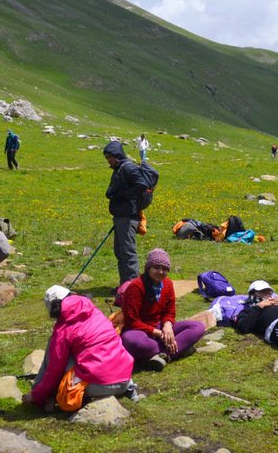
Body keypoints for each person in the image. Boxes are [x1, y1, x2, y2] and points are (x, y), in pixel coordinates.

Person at [22, 286, 135, 409]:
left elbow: (55, 370)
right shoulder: (94, 311)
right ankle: (129, 387)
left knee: (56, 354)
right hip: (124, 377)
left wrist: (37, 397)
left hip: (101, 386)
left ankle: (40, 394)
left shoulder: (63, 330)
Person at [119, 249, 206, 371]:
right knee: (138, 343)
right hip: (138, 330)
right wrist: (159, 333)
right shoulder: (136, 287)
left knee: (198, 327)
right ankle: (178, 348)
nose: (160, 272)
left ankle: (163, 355)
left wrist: (167, 326)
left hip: (160, 327)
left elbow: (169, 311)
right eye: (156, 267)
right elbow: (131, 321)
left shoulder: (168, 284)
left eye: (164, 269)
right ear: (148, 268)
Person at [103, 140, 144, 284]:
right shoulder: (119, 169)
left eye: (109, 158)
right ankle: (124, 286)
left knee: (127, 253)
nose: (108, 161)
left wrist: (124, 195)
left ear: (117, 156)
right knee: (120, 252)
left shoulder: (128, 168)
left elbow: (142, 184)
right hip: (120, 216)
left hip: (128, 217)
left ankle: (132, 288)